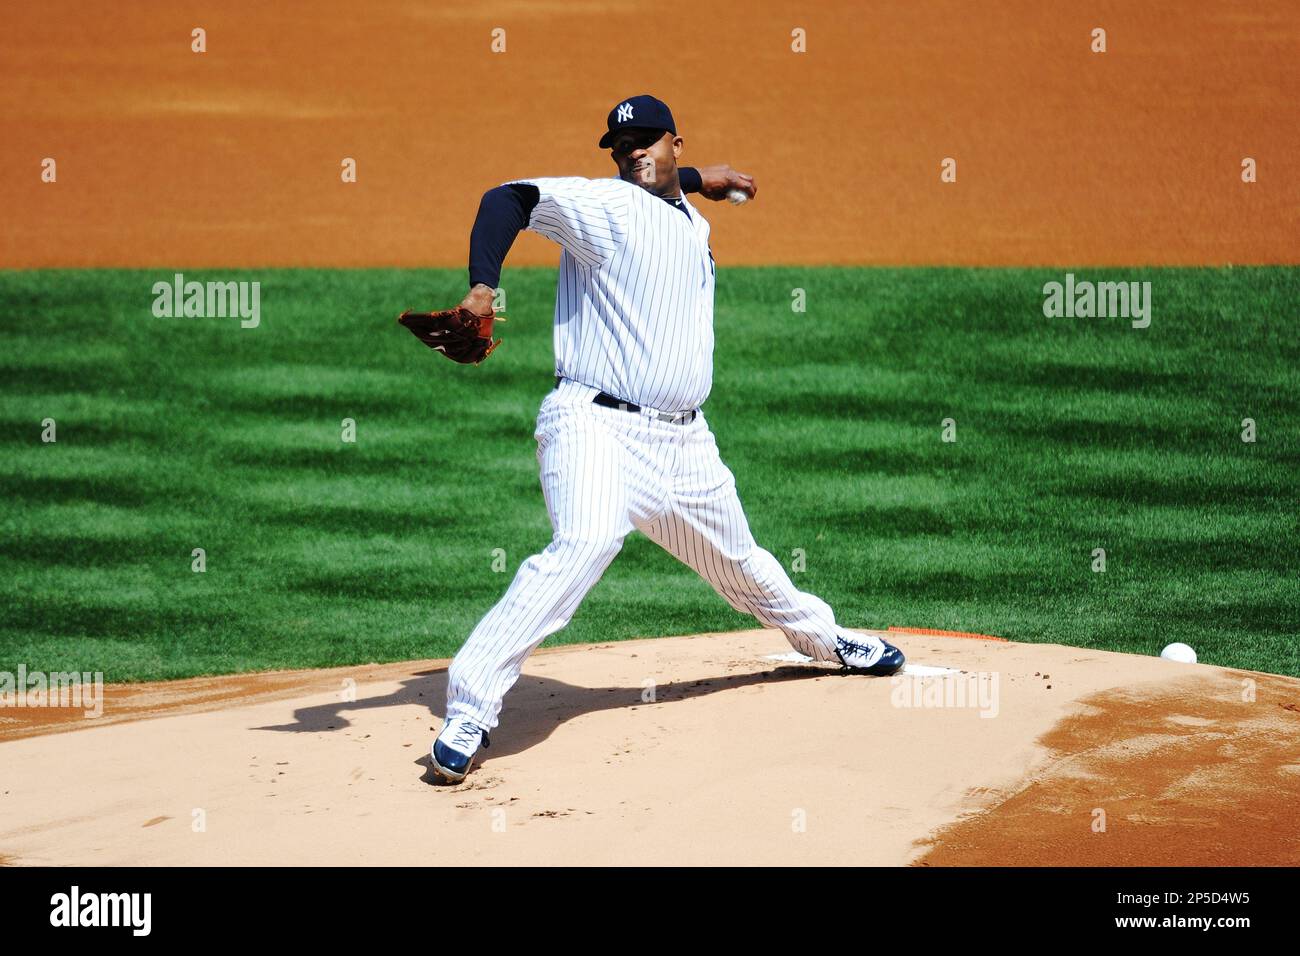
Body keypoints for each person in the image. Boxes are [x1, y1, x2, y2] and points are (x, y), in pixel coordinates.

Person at [430, 94, 904, 783]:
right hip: (596, 427)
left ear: (675, 143)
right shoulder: (604, 207)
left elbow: (662, 190)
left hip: (685, 449)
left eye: (649, 142)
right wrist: (482, 290)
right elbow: (507, 199)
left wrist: (697, 180)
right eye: (624, 147)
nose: (636, 153)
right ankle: (471, 707)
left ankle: (825, 640)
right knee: (584, 543)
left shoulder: (689, 216)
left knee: (744, 567)